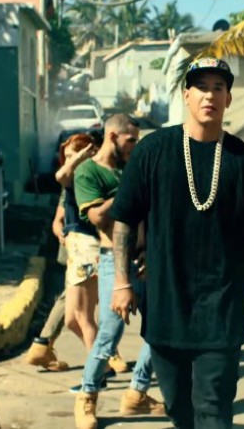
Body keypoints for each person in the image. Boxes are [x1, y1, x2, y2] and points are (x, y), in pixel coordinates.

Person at [109, 57, 244, 429]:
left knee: (213, 411)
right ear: (186, 95)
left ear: (228, 98)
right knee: (179, 411)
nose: (209, 95)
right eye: (201, 87)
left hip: (223, 309)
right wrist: (121, 282)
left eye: (218, 88)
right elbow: (125, 220)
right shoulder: (152, 151)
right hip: (166, 306)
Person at [71, 114, 163, 429]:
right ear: (112, 136)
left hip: (146, 259)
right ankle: (87, 396)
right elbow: (98, 218)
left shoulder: (130, 167)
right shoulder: (88, 171)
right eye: (130, 140)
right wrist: (129, 187)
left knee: (159, 330)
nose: (134, 146)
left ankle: (137, 392)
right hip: (114, 261)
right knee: (110, 334)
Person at [25, 133, 98, 372]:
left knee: (81, 307)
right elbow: (59, 219)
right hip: (77, 249)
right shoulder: (70, 182)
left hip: (95, 248)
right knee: (77, 309)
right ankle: (102, 358)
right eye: (65, 156)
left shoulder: (94, 176)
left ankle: (43, 344)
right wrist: (61, 233)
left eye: (72, 155)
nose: (68, 161)